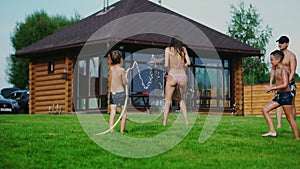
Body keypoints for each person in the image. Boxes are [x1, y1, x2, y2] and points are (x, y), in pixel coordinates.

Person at [262, 50, 299, 140]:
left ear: (278, 60)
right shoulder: (276, 69)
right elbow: (274, 78)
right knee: (265, 109)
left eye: (272, 59)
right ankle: (272, 131)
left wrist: (271, 88)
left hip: (286, 96)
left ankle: (297, 138)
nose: (270, 61)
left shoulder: (283, 69)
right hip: (279, 96)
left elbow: (285, 84)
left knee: (289, 118)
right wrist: (272, 86)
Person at [269, 36, 297, 128]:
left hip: (289, 82)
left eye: (282, 42)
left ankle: (291, 125)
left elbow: (292, 70)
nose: (280, 44)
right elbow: (273, 70)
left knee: (291, 102)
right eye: (279, 42)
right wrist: (270, 83)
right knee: (278, 102)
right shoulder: (277, 56)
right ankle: (279, 124)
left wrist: (288, 82)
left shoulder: (291, 56)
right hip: (279, 84)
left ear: (287, 43)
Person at [163, 37, 191, 126]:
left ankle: (165, 122)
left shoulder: (168, 49)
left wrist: (166, 72)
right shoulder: (183, 49)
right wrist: (183, 66)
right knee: (181, 100)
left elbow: (166, 64)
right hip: (182, 76)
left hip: (173, 74)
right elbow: (189, 63)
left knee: (168, 101)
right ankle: (186, 121)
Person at [109, 50, 130, 133]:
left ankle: (111, 130)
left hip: (112, 93)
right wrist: (126, 75)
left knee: (113, 112)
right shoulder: (122, 70)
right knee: (124, 113)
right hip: (120, 93)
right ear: (121, 59)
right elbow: (124, 82)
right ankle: (122, 131)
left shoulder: (111, 68)